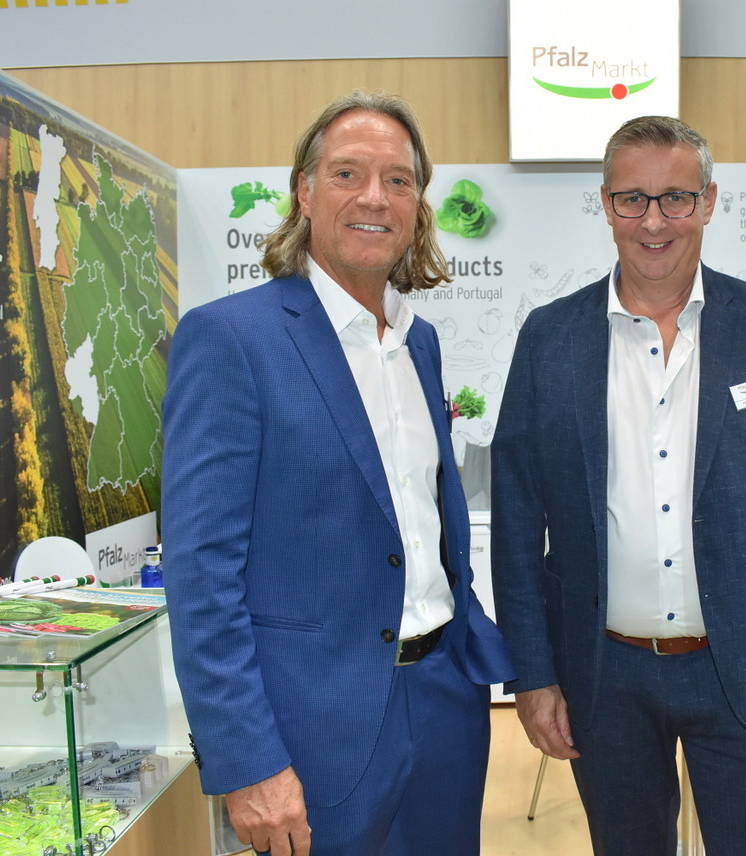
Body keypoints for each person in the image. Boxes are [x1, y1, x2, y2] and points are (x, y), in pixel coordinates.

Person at [491, 115, 746, 856]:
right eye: (632, 199)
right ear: (606, 204)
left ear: (709, 201)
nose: (654, 221)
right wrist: (531, 675)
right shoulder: (549, 338)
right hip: (604, 676)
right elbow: (516, 520)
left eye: (676, 198)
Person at [161, 92, 513, 856]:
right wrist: (247, 758)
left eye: (398, 180)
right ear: (305, 191)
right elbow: (201, 571)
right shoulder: (232, 340)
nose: (374, 197)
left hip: (447, 705)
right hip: (311, 728)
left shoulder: (419, 344)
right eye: (349, 173)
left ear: (418, 205)